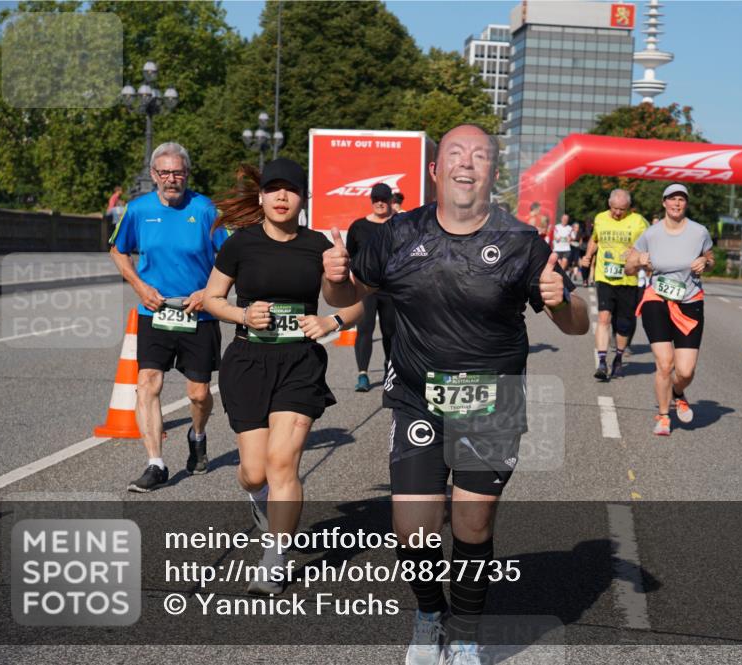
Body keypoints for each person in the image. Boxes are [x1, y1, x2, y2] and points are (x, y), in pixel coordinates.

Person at [322, 123, 589, 665]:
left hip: (492, 401)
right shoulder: (395, 234)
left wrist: (562, 301)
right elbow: (348, 295)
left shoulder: (521, 243)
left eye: (481, 156)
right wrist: (332, 279)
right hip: (418, 397)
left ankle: (464, 632)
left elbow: (576, 326)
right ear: (435, 169)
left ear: (493, 171)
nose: (468, 164)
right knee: (413, 529)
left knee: (472, 522)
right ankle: (428, 613)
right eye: (456, 154)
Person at [203, 159, 359, 594]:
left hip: (299, 364)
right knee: (254, 473)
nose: (281, 196)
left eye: (290, 189)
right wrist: (242, 313)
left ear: (303, 198)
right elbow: (213, 298)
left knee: (282, 463)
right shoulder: (239, 245)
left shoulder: (319, 246)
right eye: (273, 189)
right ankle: (260, 503)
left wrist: (332, 318)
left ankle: (274, 559)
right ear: (261, 197)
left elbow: (355, 302)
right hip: (249, 361)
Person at [109, 142, 229, 492]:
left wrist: (208, 293)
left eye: (178, 172)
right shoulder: (138, 209)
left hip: (198, 313)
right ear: (153, 175)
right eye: (164, 173)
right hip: (155, 311)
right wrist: (139, 286)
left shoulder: (206, 209)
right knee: (148, 383)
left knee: (199, 394)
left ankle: (198, 434)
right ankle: (155, 463)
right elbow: (117, 250)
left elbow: (230, 256)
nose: (171, 179)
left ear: (187, 174)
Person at [625, 183, 714, 436]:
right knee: (665, 364)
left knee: (685, 370)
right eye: (672, 199)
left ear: (686, 204)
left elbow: (710, 258)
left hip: (690, 301)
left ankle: (677, 391)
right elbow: (628, 267)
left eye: (681, 200)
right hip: (657, 299)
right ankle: (664, 416)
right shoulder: (650, 234)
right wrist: (638, 262)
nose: (676, 204)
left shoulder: (699, 232)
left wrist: (705, 263)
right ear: (664, 202)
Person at [580, 189, 649, 381]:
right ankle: (602, 361)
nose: (617, 212)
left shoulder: (638, 222)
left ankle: (618, 358)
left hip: (628, 279)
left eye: (622, 209)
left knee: (623, 325)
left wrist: (637, 254)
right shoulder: (601, 218)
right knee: (603, 318)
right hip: (605, 277)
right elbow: (595, 239)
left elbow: (651, 243)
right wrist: (587, 256)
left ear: (628, 207)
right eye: (614, 208)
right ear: (609, 205)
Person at [347, 182, 397, 392]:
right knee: (364, 330)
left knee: (391, 332)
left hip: (392, 288)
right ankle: (363, 375)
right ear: (371, 201)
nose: (379, 203)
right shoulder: (358, 226)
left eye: (383, 199)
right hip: (366, 289)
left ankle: (390, 371)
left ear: (390, 201)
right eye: (376, 199)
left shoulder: (400, 224)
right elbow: (350, 255)